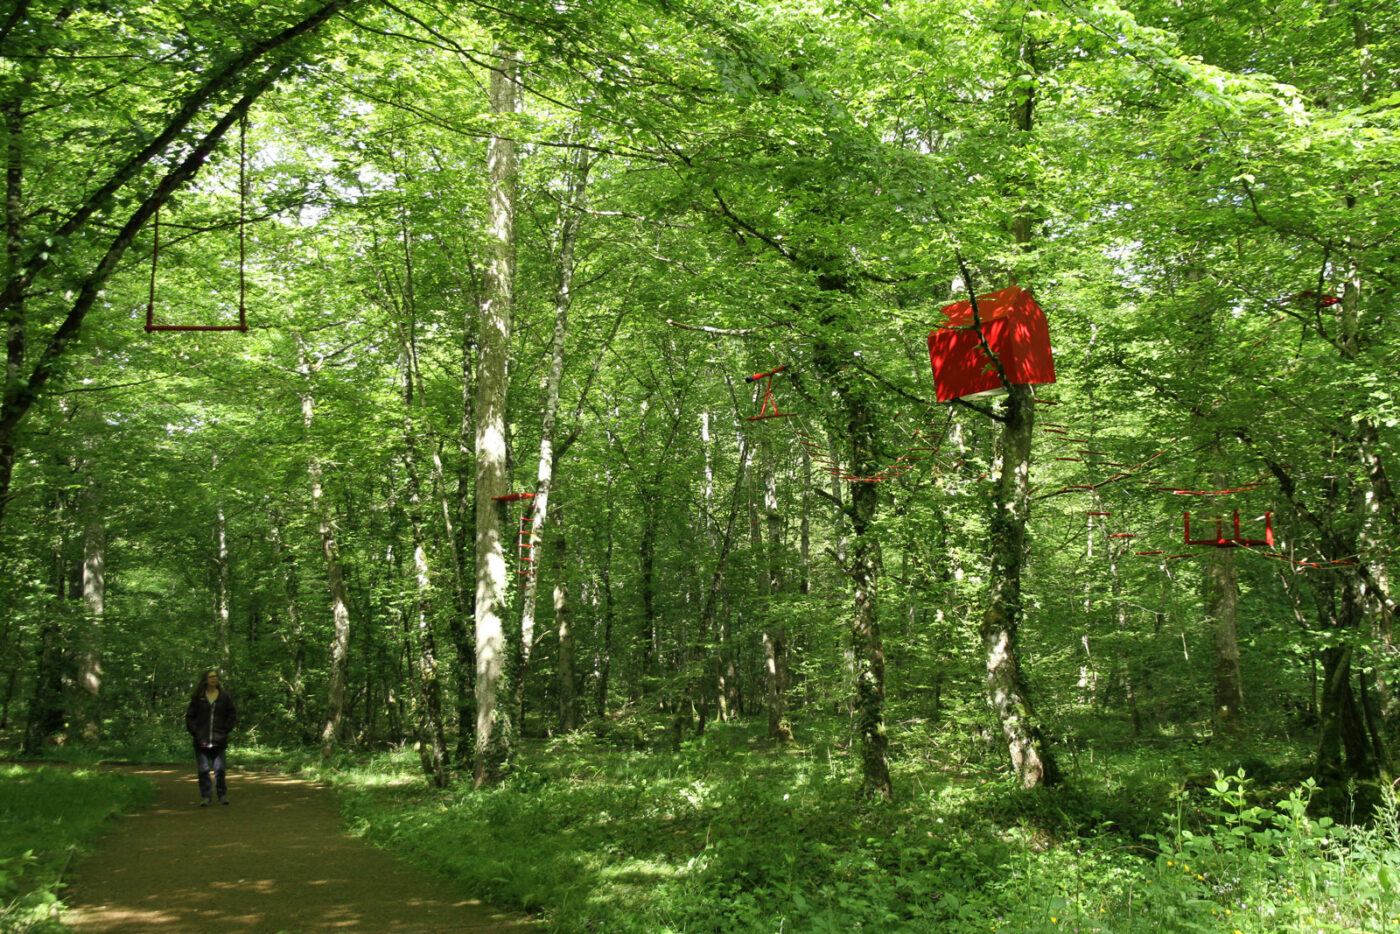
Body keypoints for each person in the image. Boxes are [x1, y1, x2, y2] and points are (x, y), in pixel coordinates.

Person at [184, 668, 237, 806]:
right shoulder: (198, 698)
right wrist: (196, 732)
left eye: (215, 676)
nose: (214, 679)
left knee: (219, 769)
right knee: (204, 770)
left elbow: (232, 715)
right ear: (205, 680)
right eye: (211, 677)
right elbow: (190, 717)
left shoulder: (224, 697)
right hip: (201, 740)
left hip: (219, 740)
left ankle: (222, 795)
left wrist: (225, 730)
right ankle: (206, 797)